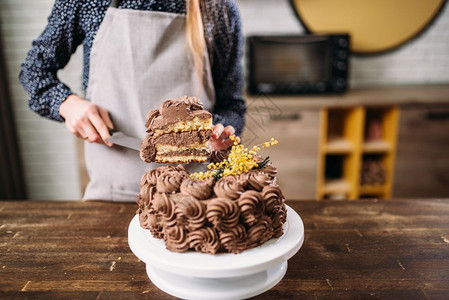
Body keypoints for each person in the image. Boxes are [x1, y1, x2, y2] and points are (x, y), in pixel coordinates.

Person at [19, 0, 246, 201]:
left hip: (196, 196)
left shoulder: (219, 9)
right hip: (113, 194)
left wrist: (219, 131)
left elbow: (232, 107)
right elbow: (35, 71)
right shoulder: (88, 3)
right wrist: (67, 104)